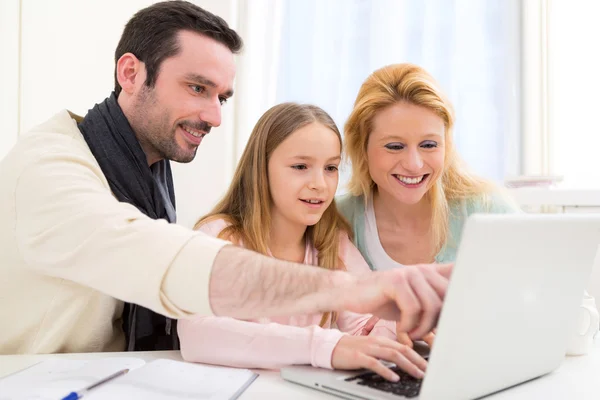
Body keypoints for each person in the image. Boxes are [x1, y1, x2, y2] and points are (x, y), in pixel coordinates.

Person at [0, 4, 451, 355]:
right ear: (131, 73)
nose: (214, 116)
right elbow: (167, 262)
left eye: (222, 97)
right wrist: (359, 290)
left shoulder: (146, 170)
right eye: (197, 88)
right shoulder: (49, 170)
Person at [179, 103, 430, 381]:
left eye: (331, 168)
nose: (320, 184)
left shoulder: (333, 244)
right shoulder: (219, 237)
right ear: (260, 169)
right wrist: (324, 346)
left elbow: (364, 326)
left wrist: (399, 326)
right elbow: (195, 333)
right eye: (300, 166)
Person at [337, 63, 519, 344]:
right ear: (362, 147)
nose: (414, 164)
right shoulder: (338, 219)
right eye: (394, 146)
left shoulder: (486, 209)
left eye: (429, 145)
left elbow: (570, 302)